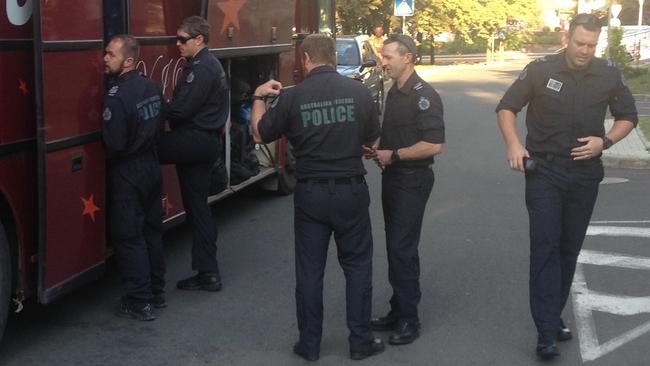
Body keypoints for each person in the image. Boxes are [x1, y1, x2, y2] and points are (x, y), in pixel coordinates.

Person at [495, 13, 637, 360]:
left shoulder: (608, 73)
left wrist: (605, 141)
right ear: (567, 36)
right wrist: (514, 144)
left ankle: (552, 315)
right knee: (545, 245)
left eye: (592, 45)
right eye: (580, 43)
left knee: (568, 248)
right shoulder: (541, 69)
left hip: (585, 174)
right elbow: (507, 107)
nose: (585, 50)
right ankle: (545, 331)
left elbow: (629, 116)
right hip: (544, 171)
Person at [250, 34, 384, 362]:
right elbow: (372, 139)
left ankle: (309, 345)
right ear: (334, 57)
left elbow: (259, 133)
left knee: (310, 271)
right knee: (358, 267)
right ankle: (361, 342)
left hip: (311, 194)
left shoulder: (293, 98)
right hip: (351, 191)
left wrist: (257, 96)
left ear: (307, 58)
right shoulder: (359, 91)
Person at [366, 34, 445, 346]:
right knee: (396, 246)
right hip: (394, 177)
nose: (383, 62)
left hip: (412, 180)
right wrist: (378, 148)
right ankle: (397, 310)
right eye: (384, 57)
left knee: (402, 249)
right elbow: (397, 134)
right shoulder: (395, 91)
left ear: (408, 57)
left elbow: (434, 144)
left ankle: (409, 320)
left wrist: (394, 155)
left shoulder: (424, 95)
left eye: (388, 57)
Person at [158, 16, 228, 291]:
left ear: (199, 40)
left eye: (182, 39)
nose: (178, 44)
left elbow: (181, 109)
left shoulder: (201, 68)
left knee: (140, 151)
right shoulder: (207, 64)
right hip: (203, 143)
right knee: (198, 209)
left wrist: (152, 104)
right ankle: (208, 273)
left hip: (194, 140)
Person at [102, 34, 166, 320]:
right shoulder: (152, 86)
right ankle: (157, 292)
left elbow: (114, 145)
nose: (105, 59)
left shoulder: (115, 98)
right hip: (152, 167)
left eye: (110, 55)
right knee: (152, 232)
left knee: (130, 238)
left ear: (128, 61)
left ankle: (140, 301)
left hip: (128, 173)